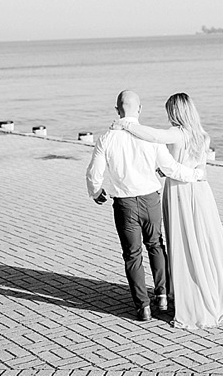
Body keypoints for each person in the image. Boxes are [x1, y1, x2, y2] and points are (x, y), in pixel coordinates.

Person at [111, 92, 223, 329]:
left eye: (168, 112)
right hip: (202, 193)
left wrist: (123, 124)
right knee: (204, 244)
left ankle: (191, 299)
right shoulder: (202, 136)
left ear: (175, 112)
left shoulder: (177, 133)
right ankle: (209, 291)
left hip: (181, 194)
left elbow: (152, 136)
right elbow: (193, 167)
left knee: (184, 246)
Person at [86, 90, 206, 322]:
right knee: (156, 245)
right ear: (139, 109)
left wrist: (96, 192)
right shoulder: (150, 137)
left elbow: (94, 173)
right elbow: (169, 167)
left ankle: (143, 307)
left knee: (132, 255)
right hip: (151, 199)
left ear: (116, 110)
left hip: (125, 204)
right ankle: (161, 294)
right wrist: (195, 175)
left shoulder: (106, 138)